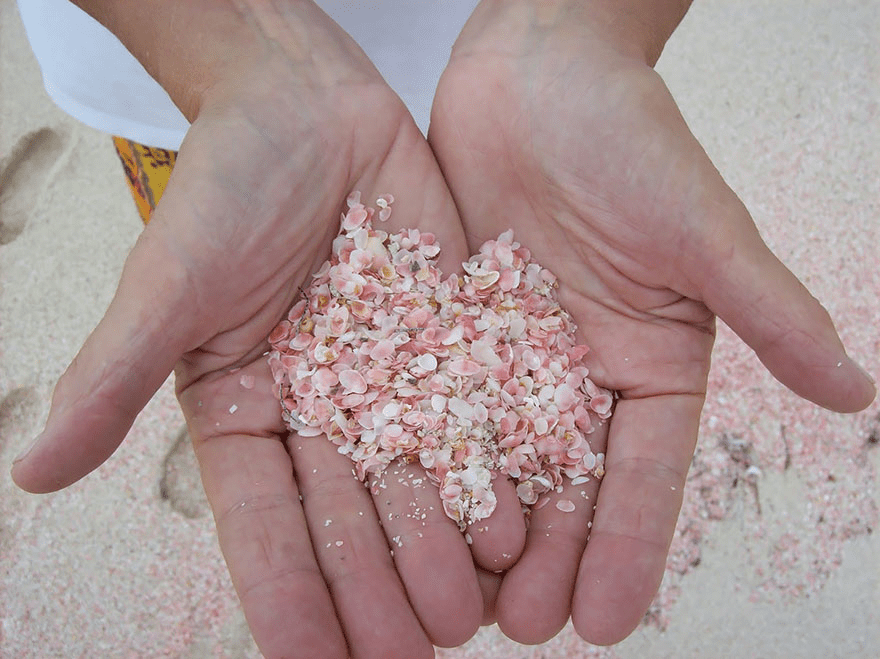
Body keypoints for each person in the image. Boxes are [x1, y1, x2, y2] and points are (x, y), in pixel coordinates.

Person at [12, 1, 876, 657]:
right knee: (215, 275)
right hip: (184, 75)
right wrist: (237, 39)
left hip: (527, 65)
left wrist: (591, 19)